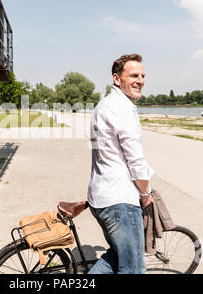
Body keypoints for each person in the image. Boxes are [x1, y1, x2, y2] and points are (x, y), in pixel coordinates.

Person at [87, 54, 154, 274]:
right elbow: (135, 159)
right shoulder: (122, 108)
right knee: (133, 268)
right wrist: (145, 193)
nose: (140, 80)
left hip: (101, 197)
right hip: (120, 201)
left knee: (115, 258)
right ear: (117, 79)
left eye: (143, 75)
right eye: (134, 75)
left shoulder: (103, 105)